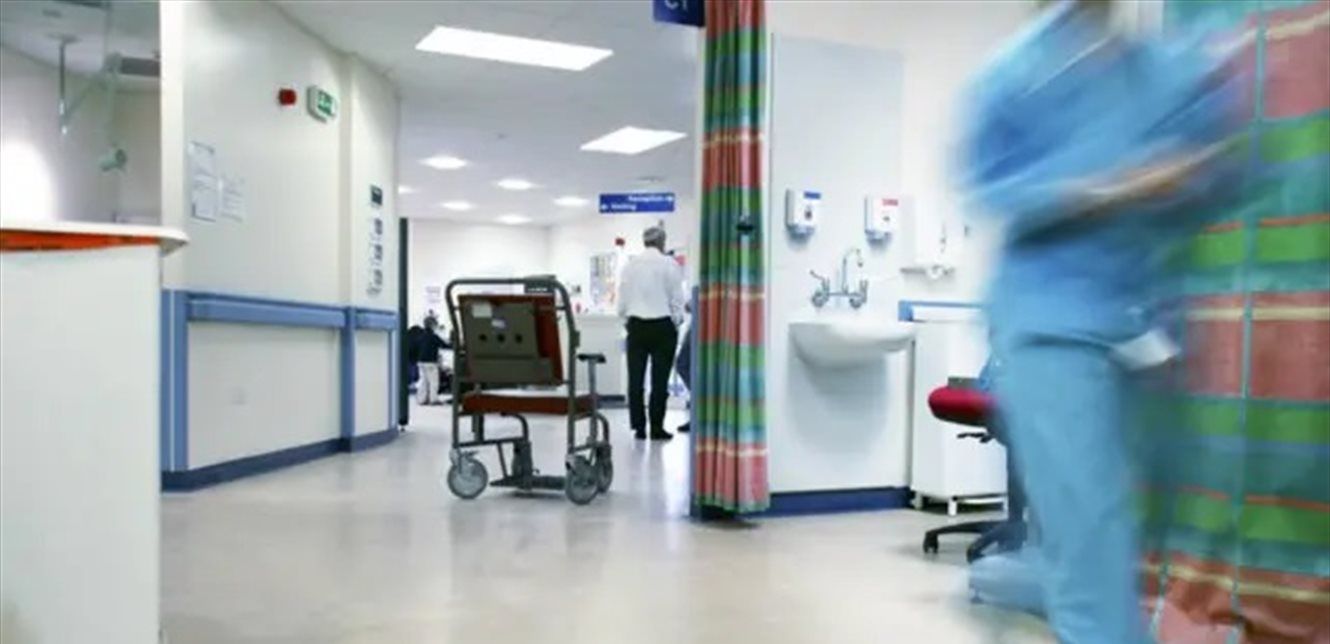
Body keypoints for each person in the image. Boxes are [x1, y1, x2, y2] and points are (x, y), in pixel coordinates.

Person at [960, 1, 1242, 642]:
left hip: (1146, 322)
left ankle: (1047, 581)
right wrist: (1110, 189)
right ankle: (1076, 601)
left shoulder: (1166, 66)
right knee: (1090, 531)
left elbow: (1219, 171)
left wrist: (1204, 163)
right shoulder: (1015, 72)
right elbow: (990, 187)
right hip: (1052, 326)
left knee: (1142, 516)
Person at [617, 226, 685, 440]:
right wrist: (676, 322)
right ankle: (656, 427)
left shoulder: (630, 266)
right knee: (660, 381)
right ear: (662, 242)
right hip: (663, 327)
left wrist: (627, 321)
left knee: (635, 380)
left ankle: (639, 427)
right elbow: (677, 298)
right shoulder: (670, 264)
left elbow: (622, 299)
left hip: (637, 326)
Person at [415, 316, 449, 406]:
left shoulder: (421, 336)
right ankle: (433, 399)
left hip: (421, 361)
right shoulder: (434, 336)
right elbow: (444, 345)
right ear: (432, 325)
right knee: (434, 381)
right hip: (430, 362)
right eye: (435, 324)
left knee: (423, 381)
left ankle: (422, 399)